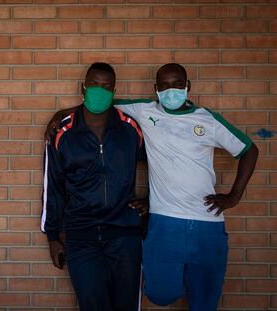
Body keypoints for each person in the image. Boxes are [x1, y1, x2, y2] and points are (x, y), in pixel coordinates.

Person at [45, 63, 258, 311]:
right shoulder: (143, 112)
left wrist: (234, 196)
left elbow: (248, 150)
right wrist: (62, 114)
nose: (171, 91)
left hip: (175, 224)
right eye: (165, 86)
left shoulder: (200, 120)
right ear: (156, 89)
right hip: (123, 226)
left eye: (178, 84)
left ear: (188, 87)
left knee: (203, 301)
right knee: (139, 296)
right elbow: (98, 107)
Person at [41, 62, 148, 311]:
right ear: (83, 87)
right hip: (81, 234)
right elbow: (52, 186)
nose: (100, 90)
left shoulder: (130, 129)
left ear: (114, 90)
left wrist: (151, 201)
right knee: (92, 304)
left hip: (125, 234)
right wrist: (53, 236)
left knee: (127, 305)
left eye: (106, 86)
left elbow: (161, 165)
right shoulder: (62, 131)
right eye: (94, 85)